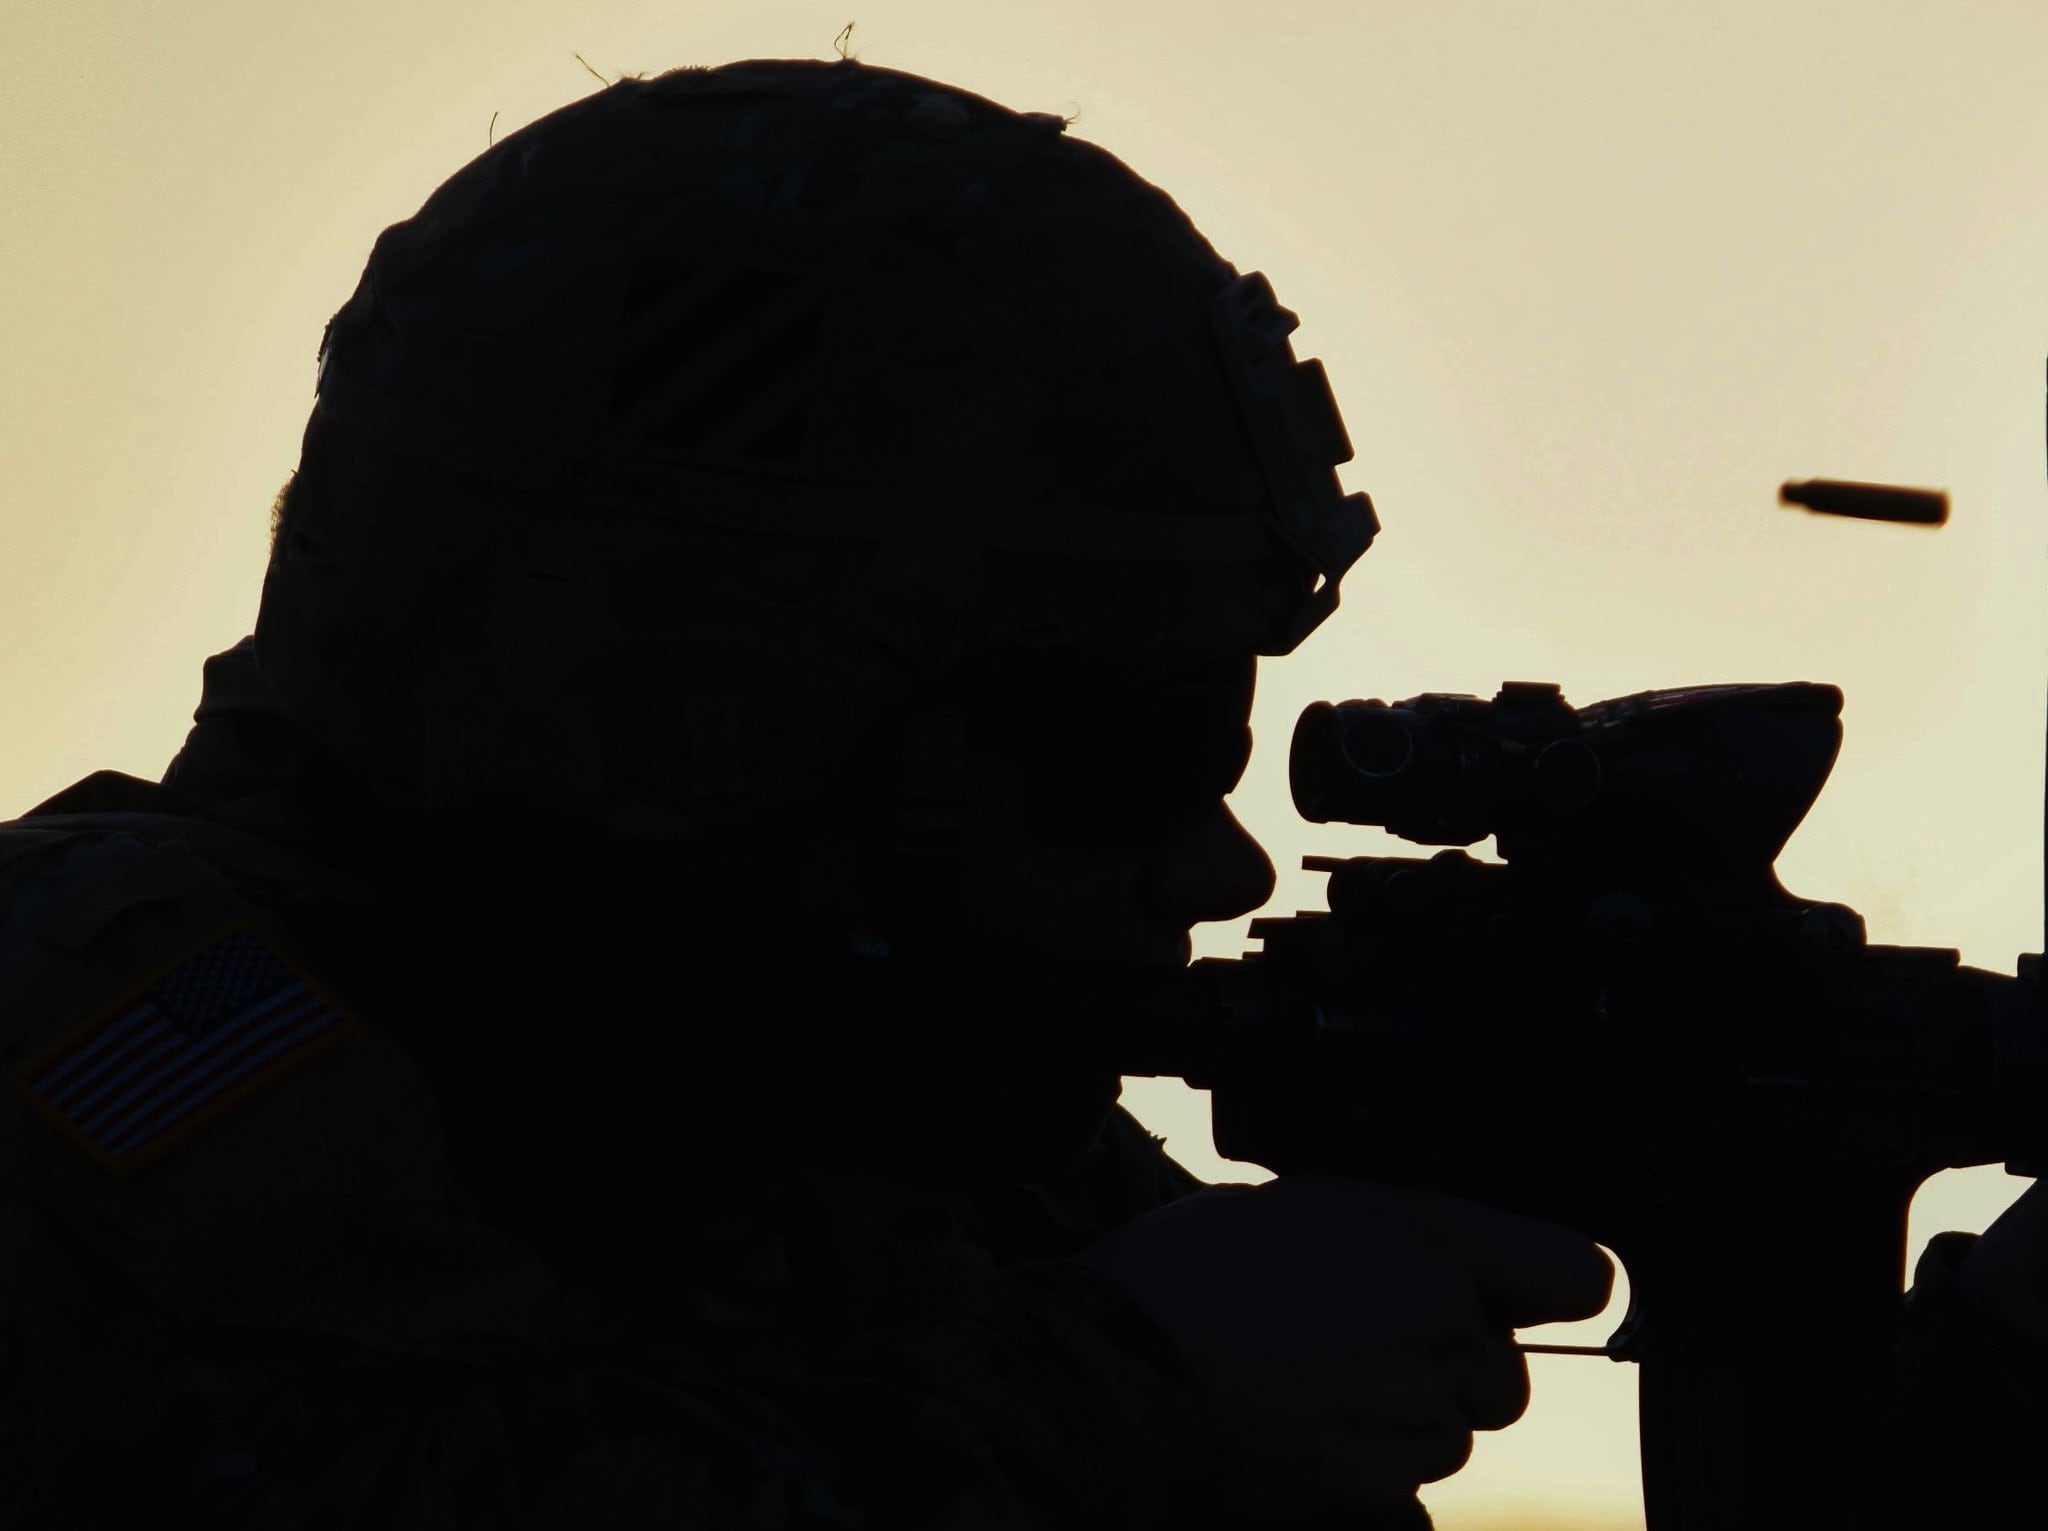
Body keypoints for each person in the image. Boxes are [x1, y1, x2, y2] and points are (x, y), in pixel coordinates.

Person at [0, 55, 1713, 1528]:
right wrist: (1110, 1405)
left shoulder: (916, 1141)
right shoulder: (95, 1048)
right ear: (712, 732)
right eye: (1131, 754)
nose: (1224, 864)